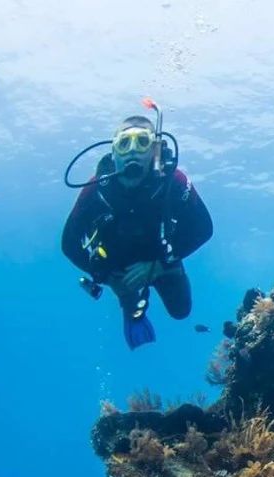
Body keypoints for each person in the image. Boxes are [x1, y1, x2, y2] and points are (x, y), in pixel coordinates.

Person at [62, 109, 213, 349]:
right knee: (133, 312)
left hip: (162, 258)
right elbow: (68, 244)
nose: (132, 150)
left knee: (181, 311)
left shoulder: (173, 181)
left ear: (155, 150)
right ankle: (130, 306)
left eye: (142, 142)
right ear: (114, 152)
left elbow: (204, 228)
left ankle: (164, 276)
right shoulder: (96, 188)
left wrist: (161, 266)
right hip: (120, 270)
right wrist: (106, 277)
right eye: (124, 143)